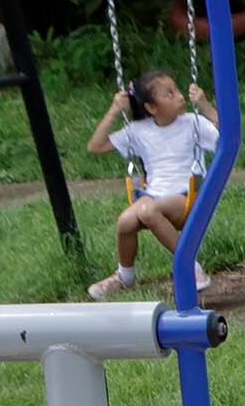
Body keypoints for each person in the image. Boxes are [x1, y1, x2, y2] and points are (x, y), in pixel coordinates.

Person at [86, 69, 217, 297]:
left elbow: (227, 136)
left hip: (186, 197)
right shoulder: (139, 131)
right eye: (169, 94)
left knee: (146, 209)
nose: (178, 96)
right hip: (153, 197)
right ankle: (124, 276)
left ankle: (191, 266)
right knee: (125, 221)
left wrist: (204, 104)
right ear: (151, 108)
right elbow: (95, 147)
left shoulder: (192, 123)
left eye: (176, 90)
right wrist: (114, 110)